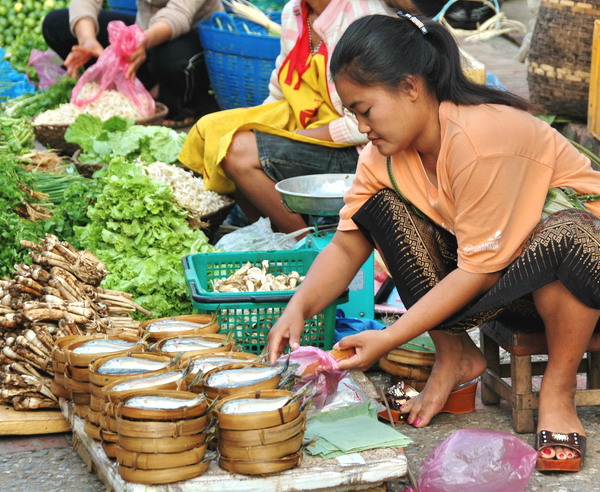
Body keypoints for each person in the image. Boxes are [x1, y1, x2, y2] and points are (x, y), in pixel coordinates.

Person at [267, 13, 600, 472]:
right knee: (380, 209)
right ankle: (454, 355)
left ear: (409, 87)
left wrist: (388, 337)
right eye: (354, 114)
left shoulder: (481, 135)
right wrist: (299, 306)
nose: (362, 126)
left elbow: (479, 270)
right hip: (497, 276)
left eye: (365, 109)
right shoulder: (381, 155)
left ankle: (558, 390)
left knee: (570, 236)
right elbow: (347, 246)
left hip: (579, 280)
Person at [178, 0, 392, 233]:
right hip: (308, 128)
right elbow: (280, 90)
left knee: (238, 151)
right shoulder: (294, 11)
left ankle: (301, 243)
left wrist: (297, 136)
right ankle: (267, 238)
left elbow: (372, 121)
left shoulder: (363, 16)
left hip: (361, 148)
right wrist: (263, 130)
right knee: (217, 132)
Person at [42, 0, 222, 127]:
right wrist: (87, 40)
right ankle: (133, 87)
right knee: (56, 24)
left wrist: (141, 41)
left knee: (173, 62)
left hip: (193, 37)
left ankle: (180, 101)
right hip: (144, 33)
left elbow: (178, 15)